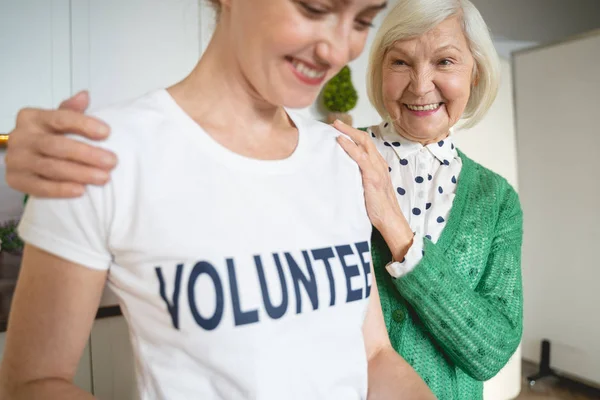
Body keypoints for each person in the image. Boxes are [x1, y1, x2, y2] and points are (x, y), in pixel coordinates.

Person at [0, 0, 436, 399]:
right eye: (314, 7)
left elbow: (374, 355)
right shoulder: (97, 155)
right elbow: (33, 383)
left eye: (362, 21)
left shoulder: (343, 158)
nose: (339, 52)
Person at [334, 0, 524, 398]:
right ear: (380, 71)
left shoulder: (497, 198)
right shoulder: (337, 157)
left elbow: (490, 352)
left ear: (476, 73)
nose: (420, 86)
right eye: (401, 62)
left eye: (444, 62)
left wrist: (397, 231)